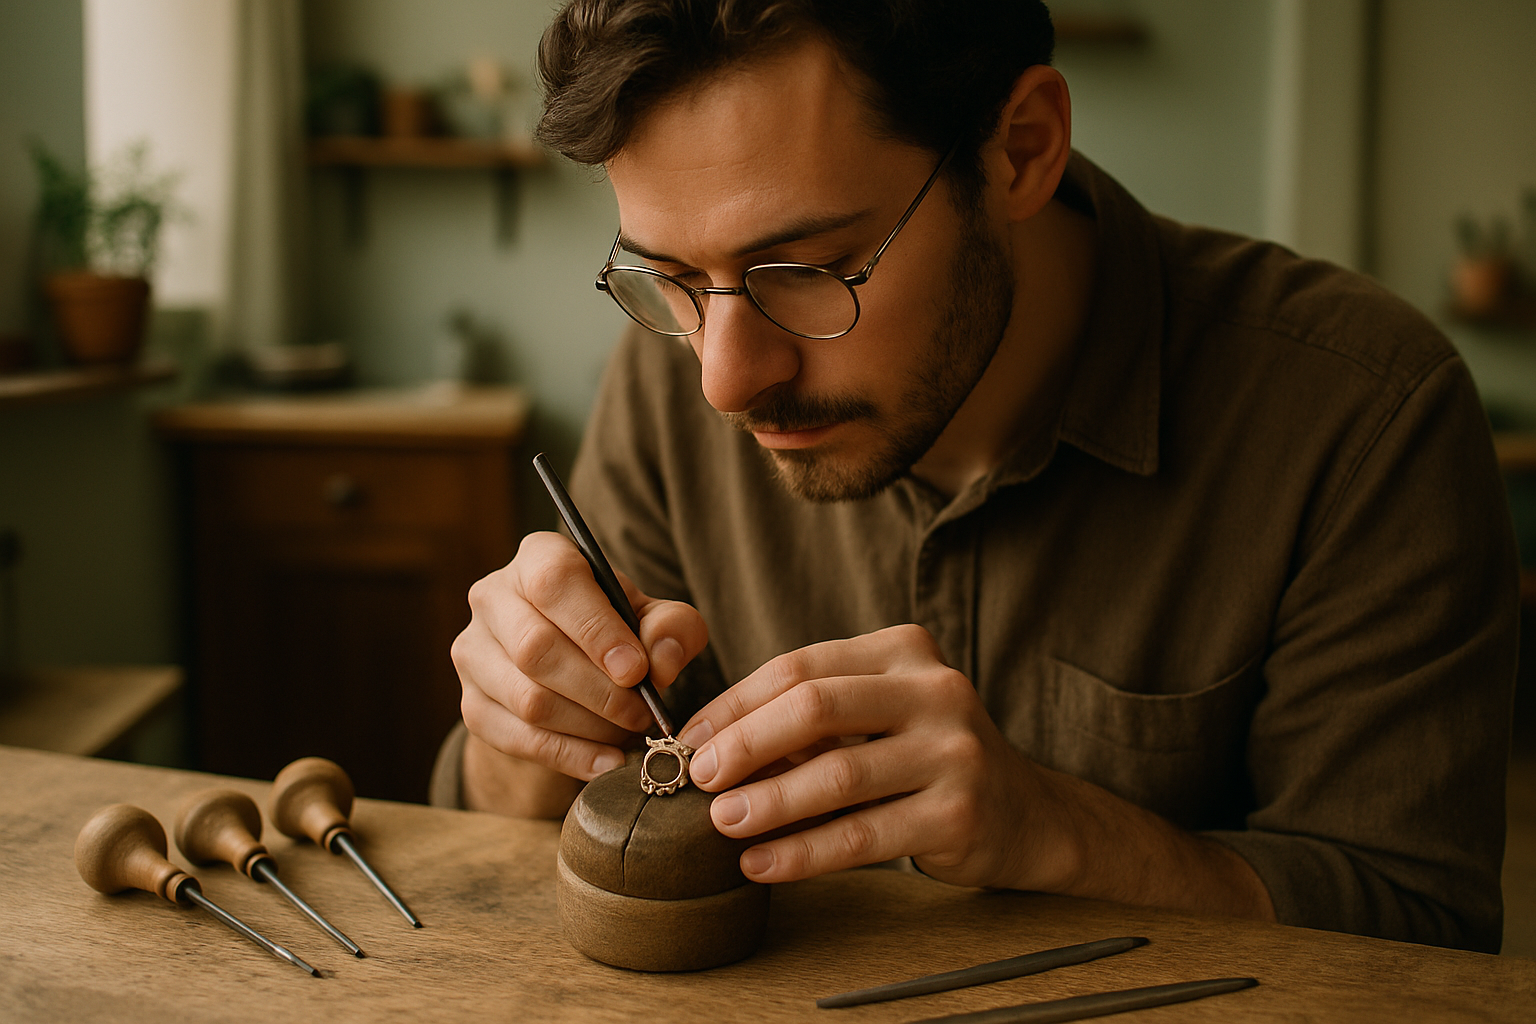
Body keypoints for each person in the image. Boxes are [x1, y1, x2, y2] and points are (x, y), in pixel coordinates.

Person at [438, 0, 1518, 952]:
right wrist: (527, 736)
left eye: (806, 269)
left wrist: (1054, 832)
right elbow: (492, 823)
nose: (725, 379)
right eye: (672, 277)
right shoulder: (672, 373)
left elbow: (1420, 927)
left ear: (1021, 149)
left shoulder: (1366, 415)